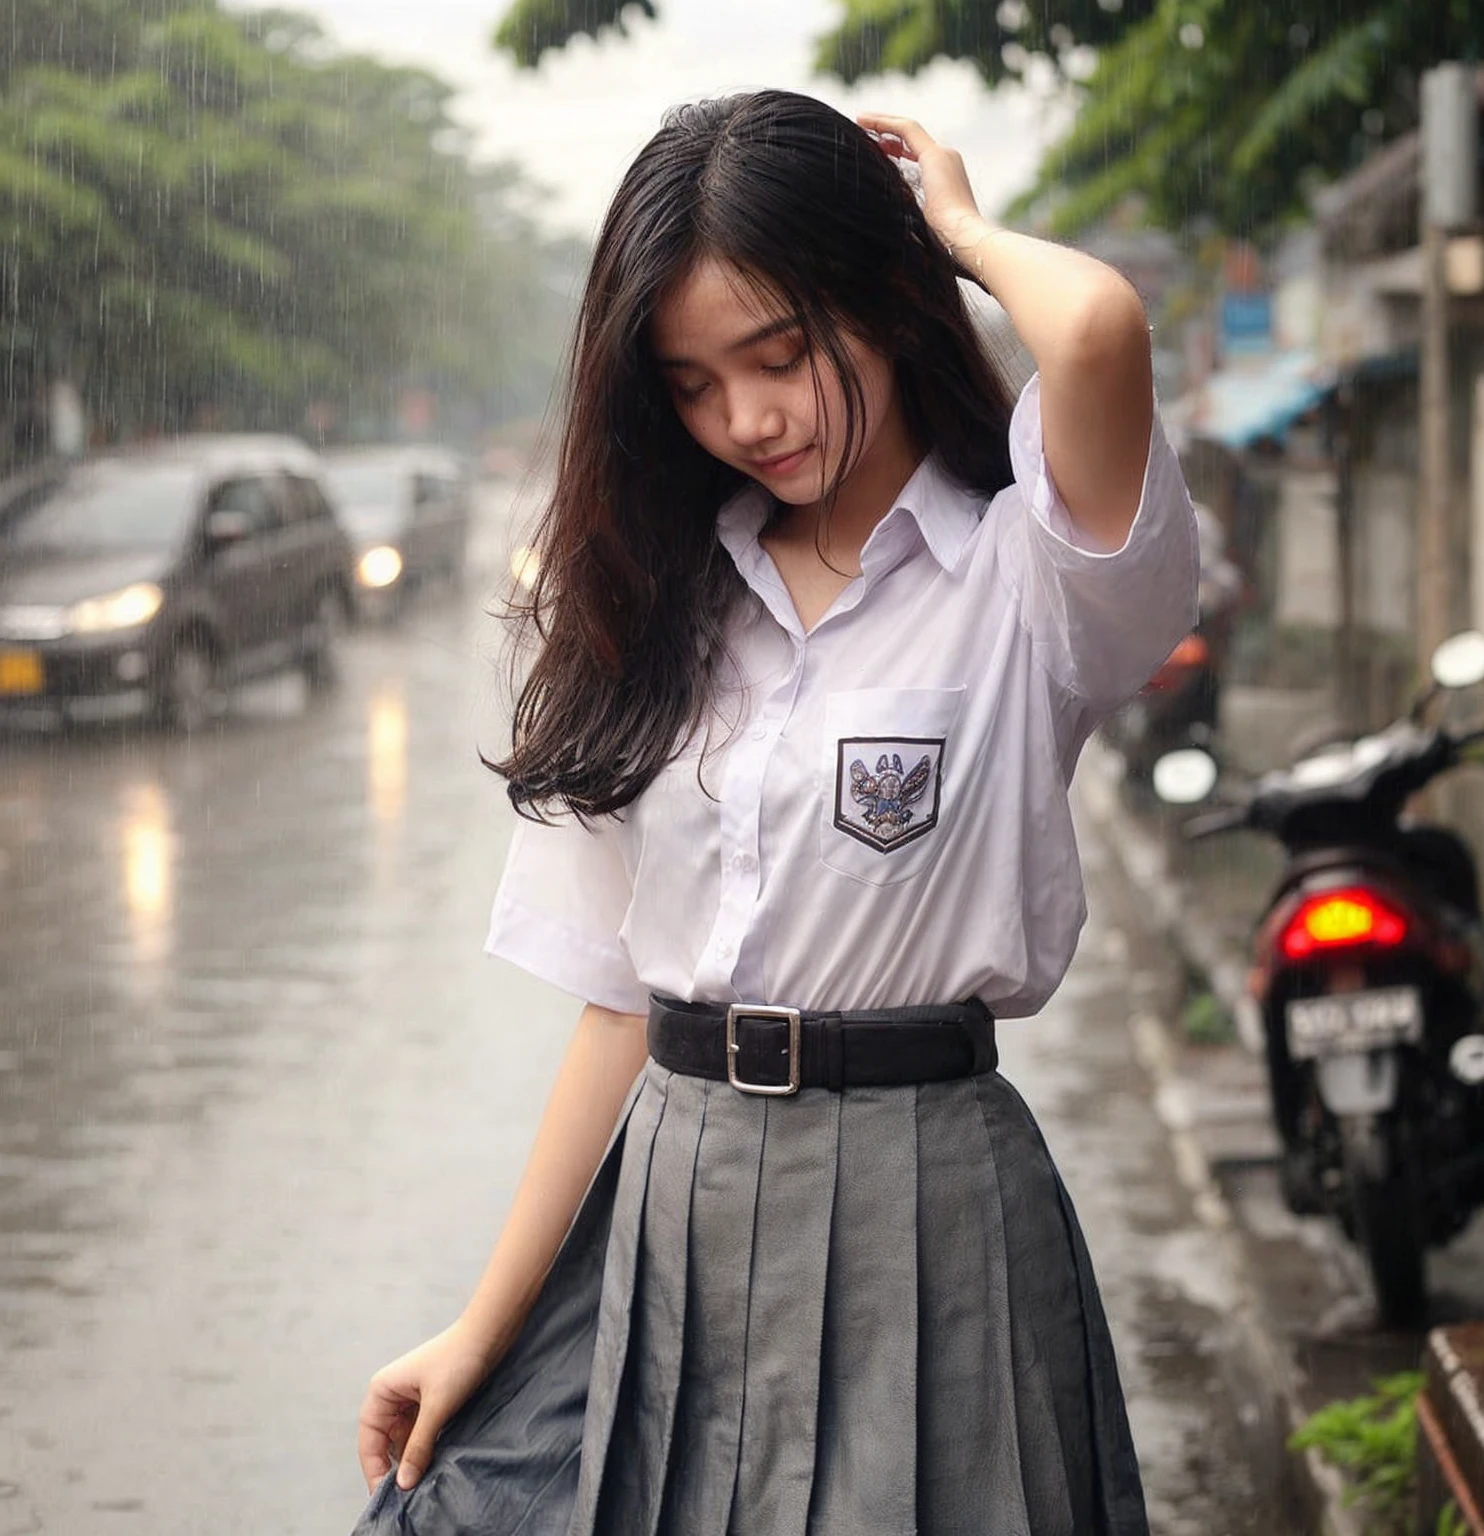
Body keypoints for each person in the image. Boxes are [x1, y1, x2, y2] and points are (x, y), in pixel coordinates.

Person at [352, 90, 1197, 1536]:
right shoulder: (650, 604)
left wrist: (954, 232)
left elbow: (1101, 330)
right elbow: (618, 1007)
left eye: (781, 353)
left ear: (880, 300)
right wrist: (484, 1328)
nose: (747, 419)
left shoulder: (1028, 577)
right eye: (690, 382)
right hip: (675, 1198)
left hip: (932, 1204)